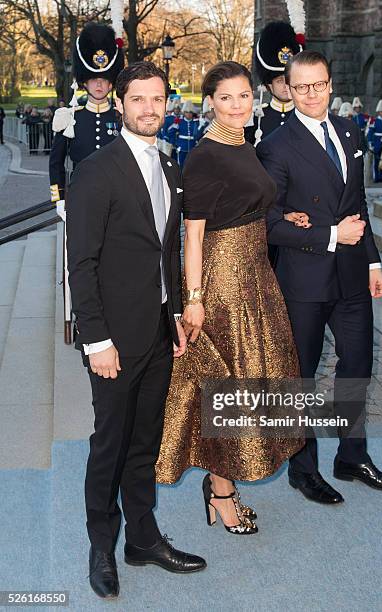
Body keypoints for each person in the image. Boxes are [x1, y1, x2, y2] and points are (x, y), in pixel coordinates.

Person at [66, 60, 206, 600]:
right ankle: (101, 544)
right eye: (139, 99)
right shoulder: (98, 171)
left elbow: (164, 253)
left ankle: (143, 539)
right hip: (113, 342)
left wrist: (174, 312)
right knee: (110, 444)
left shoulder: (171, 168)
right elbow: (82, 263)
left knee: (144, 443)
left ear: (168, 103)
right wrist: (96, 340)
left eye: (158, 99)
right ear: (122, 104)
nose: (150, 108)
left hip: (157, 334)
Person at [155, 61, 305, 533]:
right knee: (231, 387)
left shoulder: (244, 144)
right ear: (211, 103)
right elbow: (193, 234)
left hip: (256, 277)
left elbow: (250, 203)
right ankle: (221, 494)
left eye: (244, 95)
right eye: (226, 98)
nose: (238, 105)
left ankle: (224, 486)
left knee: (255, 382)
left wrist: (287, 215)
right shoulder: (204, 155)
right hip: (221, 284)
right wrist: (194, 298)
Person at [257, 50, 382, 505]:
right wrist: (328, 235)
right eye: (301, 87)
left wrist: (373, 262)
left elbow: (357, 205)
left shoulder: (349, 130)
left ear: (329, 84)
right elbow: (267, 221)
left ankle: (352, 455)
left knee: (357, 365)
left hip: (351, 275)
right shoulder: (275, 146)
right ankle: (303, 469)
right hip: (303, 279)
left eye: (318, 85)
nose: (311, 94)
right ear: (287, 88)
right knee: (300, 377)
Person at [49, 22, 124, 203]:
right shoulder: (70, 117)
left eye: (104, 80)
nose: (99, 85)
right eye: (93, 79)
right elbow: (56, 162)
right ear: (84, 83)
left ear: (111, 84)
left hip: (116, 199)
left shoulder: (122, 118)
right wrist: (59, 198)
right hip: (80, 196)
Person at [245, 21, 301, 145]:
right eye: (280, 81)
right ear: (269, 85)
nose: (286, 86)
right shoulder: (255, 118)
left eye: (289, 80)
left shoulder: (305, 116)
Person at [168, 100, 200, 168]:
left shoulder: (195, 123)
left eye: (190, 112)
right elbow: (171, 132)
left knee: (192, 166)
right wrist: (175, 143)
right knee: (181, 165)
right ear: (184, 113)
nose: (188, 114)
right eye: (187, 112)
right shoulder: (179, 121)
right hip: (182, 147)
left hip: (192, 147)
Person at [367, 99, 382, 183]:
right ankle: (376, 177)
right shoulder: (375, 121)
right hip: (377, 142)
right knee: (376, 161)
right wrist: (371, 143)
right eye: (381, 112)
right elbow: (370, 133)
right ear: (378, 112)